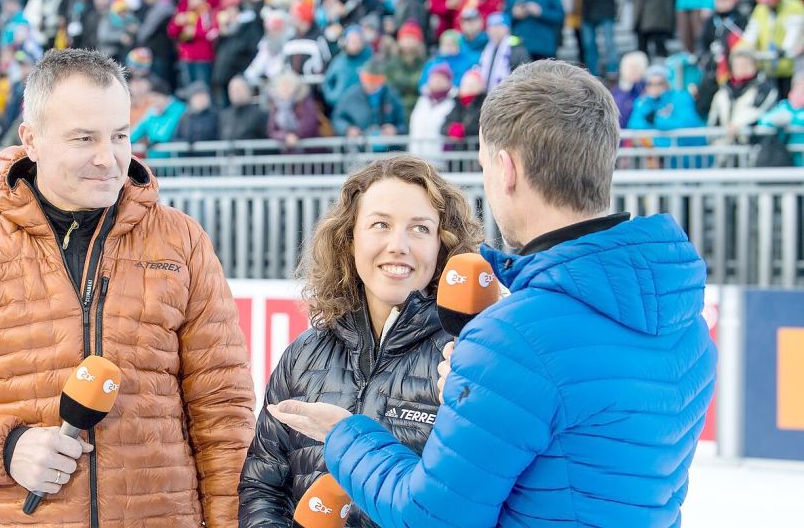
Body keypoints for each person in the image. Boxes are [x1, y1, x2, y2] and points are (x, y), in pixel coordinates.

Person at [268, 60, 717, 527]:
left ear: (505, 169)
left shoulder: (514, 337)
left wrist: (346, 434)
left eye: (482, 164)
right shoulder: (686, 325)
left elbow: (431, 516)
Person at [0, 48, 255, 527]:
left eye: (119, 135)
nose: (107, 158)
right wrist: (6, 448)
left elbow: (224, 416)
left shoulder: (182, 242)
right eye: (83, 138)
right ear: (31, 139)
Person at [238, 156, 482, 527]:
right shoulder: (302, 356)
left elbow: (468, 503)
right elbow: (262, 487)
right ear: (350, 238)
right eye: (380, 224)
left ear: (441, 246)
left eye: (419, 229)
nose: (397, 245)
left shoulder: (464, 361)